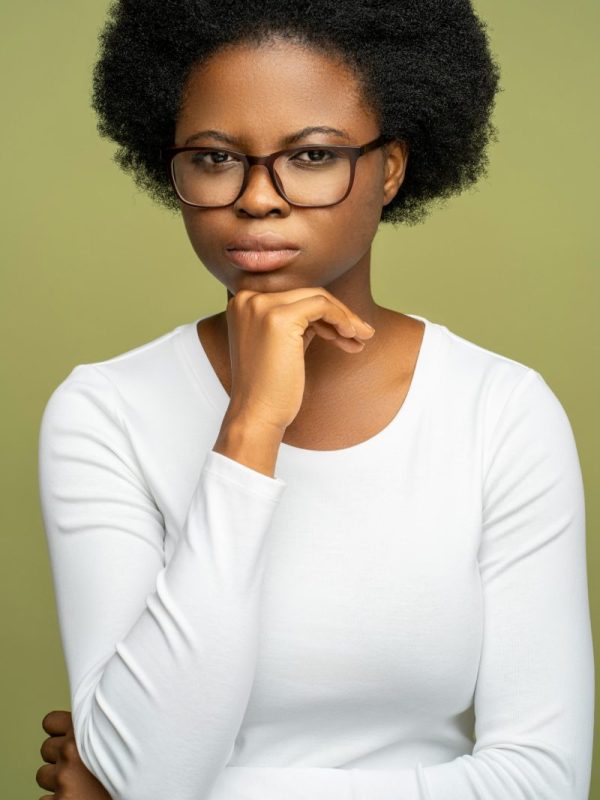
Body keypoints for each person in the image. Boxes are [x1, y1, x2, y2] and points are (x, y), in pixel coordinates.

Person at [35, 1, 594, 799]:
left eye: (311, 156)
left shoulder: (500, 411)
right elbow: (154, 773)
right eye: (215, 158)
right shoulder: (105, 413)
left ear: (391, 168)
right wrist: (251, 427)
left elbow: (544, 782)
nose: (258, 197)